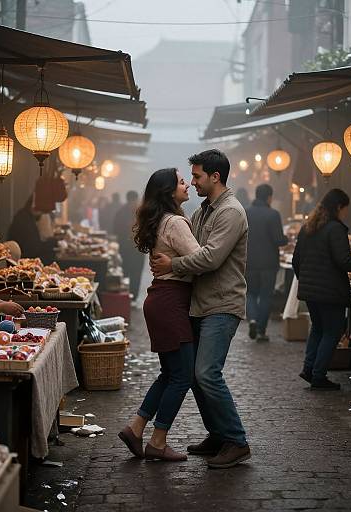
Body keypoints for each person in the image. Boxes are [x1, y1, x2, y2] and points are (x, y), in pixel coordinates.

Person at [151, 149, 250, 469]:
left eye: (196, 176)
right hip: (201, 304)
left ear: (215, 177)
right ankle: (219, 434)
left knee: (207, 372)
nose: (192, 183)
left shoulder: (230, 212)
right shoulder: (204, 210)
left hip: (222, 303)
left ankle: (236, 441)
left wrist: (172, 263)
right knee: (194, 374)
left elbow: (210, 258)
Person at [118, 168, 200, 462]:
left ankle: (135, 428)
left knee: (170, 373)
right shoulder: (175, 222)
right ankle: (158, 440)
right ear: (169, 192)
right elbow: (200, 260)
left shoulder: (160, 220)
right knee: (183, 377)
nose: (187, 184)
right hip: (171, 301)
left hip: (161, 300)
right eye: (181, 182)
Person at [292, 189, 351, 390]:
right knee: (332, 332)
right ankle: (319, 376)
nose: (346, 213)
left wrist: (306, 280)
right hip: (330, 292)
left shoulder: (308, 227)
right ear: (339, 207)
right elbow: (343, 260)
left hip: (311, 291)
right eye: (346, 209)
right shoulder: (335, 229)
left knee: (318, 329)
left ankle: (309, 369)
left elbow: (296, 260)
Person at [245, 184, 288, 341]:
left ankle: (253, 320)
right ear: (269, 197)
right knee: (265, 296)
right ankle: (261, 331)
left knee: (250, 293)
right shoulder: (273, 214)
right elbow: (278, 239)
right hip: (269, 264)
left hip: (249, 262)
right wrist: (287, 239)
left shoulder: (246, 212)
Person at [114, 191, 145, 301]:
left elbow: (115, 230)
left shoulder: (121, 212)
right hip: (136, 248)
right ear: (135, 199)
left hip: (128, 248)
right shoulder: (141, 212)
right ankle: (130, 296)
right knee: (134, 272)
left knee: (127, 271)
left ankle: (126, 296)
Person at [7, 195, 56, 264]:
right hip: (23, 259)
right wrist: (52, 242)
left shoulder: (26, 216)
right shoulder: (24, 219)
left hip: (26, 256)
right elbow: (32, 247)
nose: (42, 213)